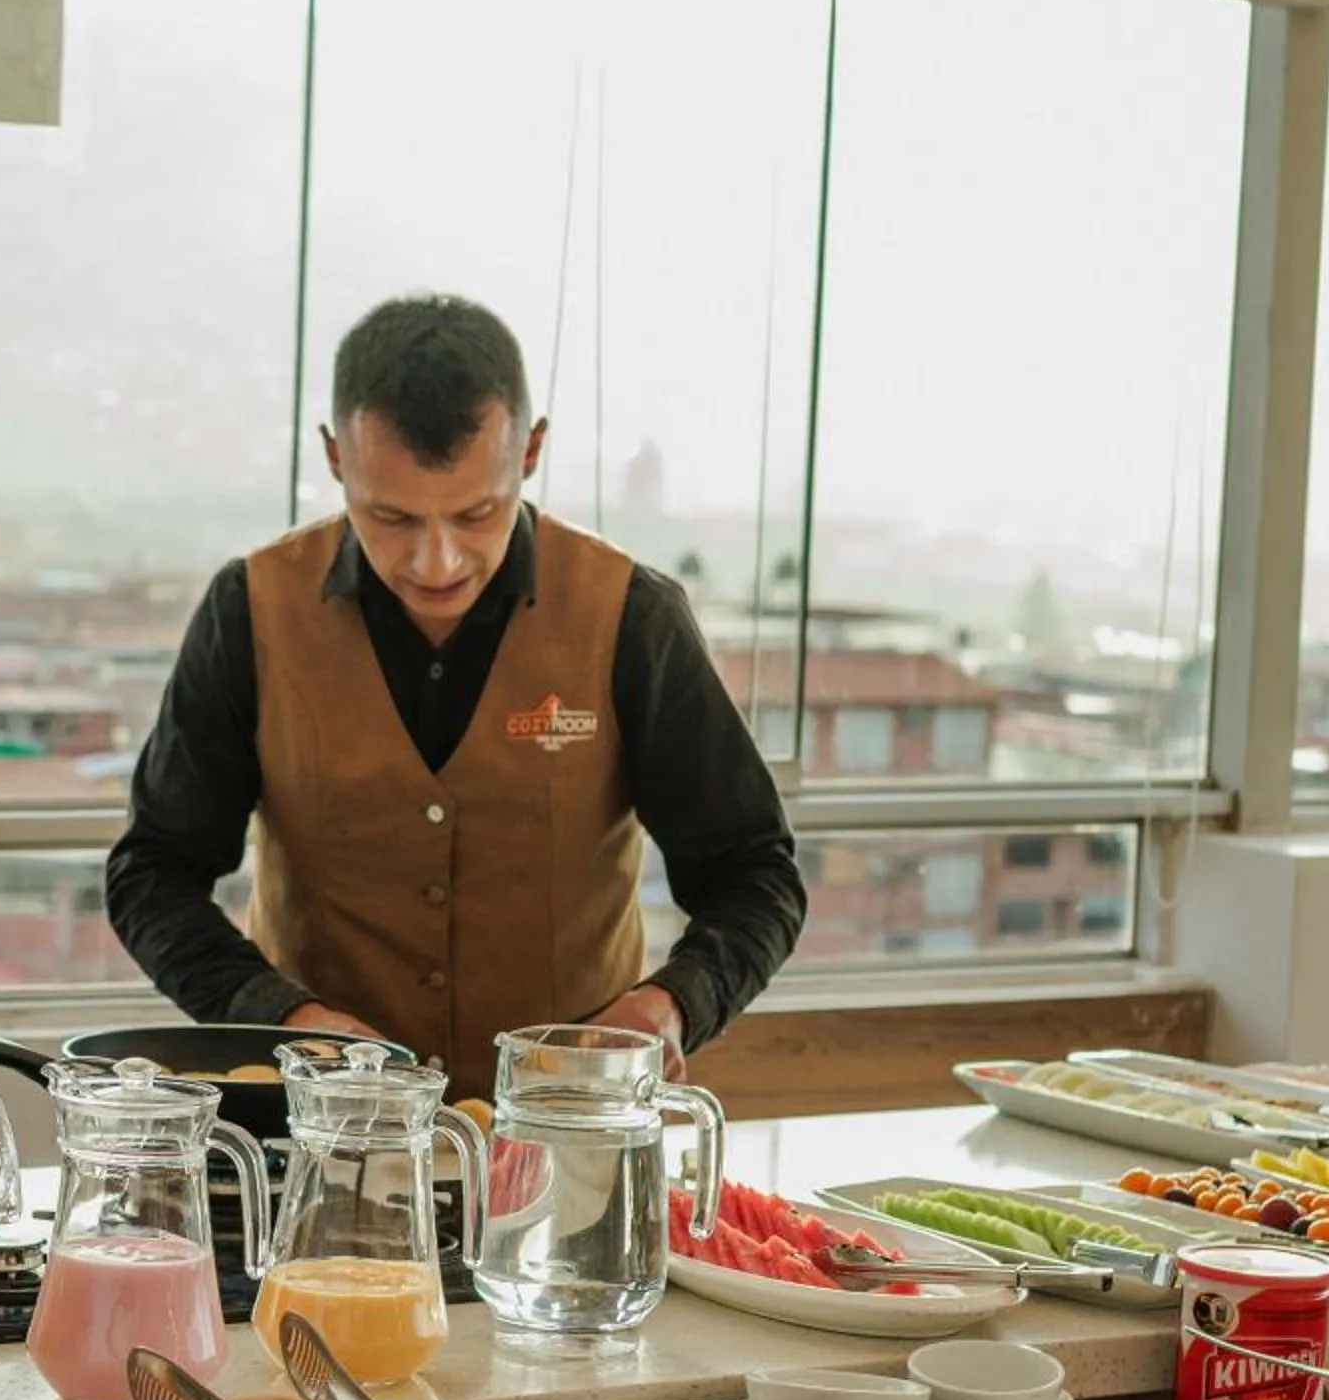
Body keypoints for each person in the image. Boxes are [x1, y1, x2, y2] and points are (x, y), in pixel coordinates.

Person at [106, 293, 806, 1101]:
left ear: (531, 450)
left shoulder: (629, 615)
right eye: (391, 517)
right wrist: (281, 1017)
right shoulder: (251, 609)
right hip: (322, 1133)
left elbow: (754, 871)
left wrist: (673, 1003)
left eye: (478, 513)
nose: (437, 563)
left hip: (564, 1133)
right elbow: (152, 872)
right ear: (336, 459)